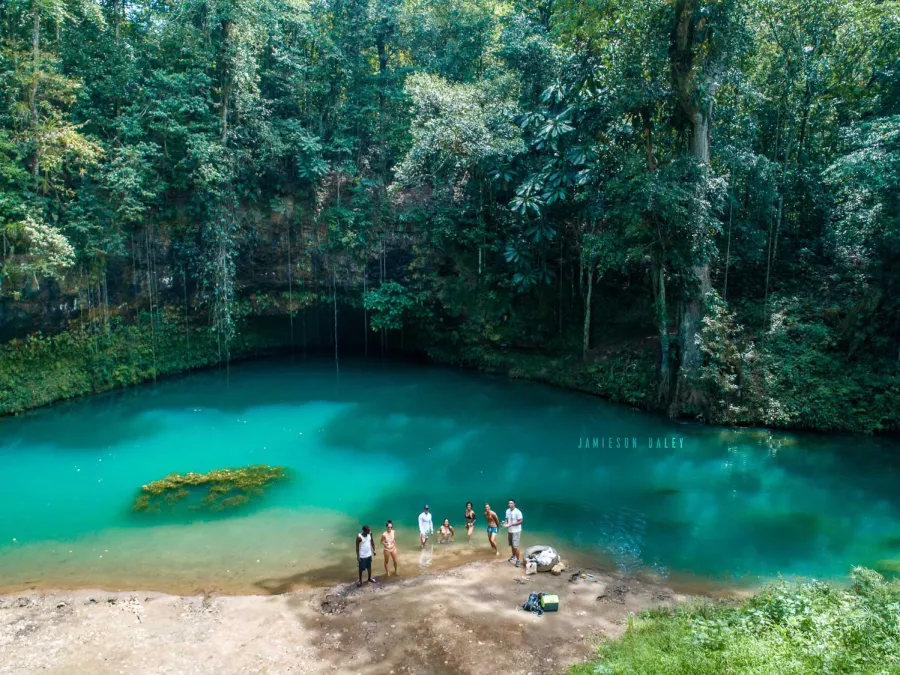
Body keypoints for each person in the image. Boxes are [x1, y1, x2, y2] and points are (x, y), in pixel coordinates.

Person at [503, 499, 524, 567]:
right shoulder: (507, 510)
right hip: (510, 530)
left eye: (511, 503)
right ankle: (513, 556)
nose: (510, 504)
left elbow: (521, 521)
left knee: (516, 546)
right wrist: (505, 523)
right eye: (509, 503)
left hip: (516, 531)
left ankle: (518, 561)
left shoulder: (517, 512)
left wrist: (511, 524)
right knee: (512, 544)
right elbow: (506, 518)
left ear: (514, 504)